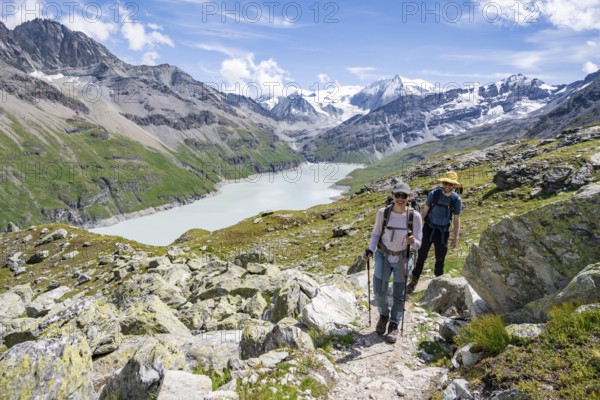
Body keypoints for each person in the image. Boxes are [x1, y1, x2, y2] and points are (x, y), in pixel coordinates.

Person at [363, 182, 422, 343]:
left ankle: (394, 325)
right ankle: (383, 315)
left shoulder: (414, 216)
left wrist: (412, 242)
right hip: (383, 255)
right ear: (392, 196)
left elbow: (419, 243)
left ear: (409, 197)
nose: (401, 199)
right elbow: (376, 234)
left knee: (399, 293)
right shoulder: (383, 213)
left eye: (404, 196)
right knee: (379, 290)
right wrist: (370, 250)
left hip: (403, 257)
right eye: (398, 195)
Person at [407, 171, 462, 294]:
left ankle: (438, 282)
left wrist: (456, 237)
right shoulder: (434, 194)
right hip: (428, 228)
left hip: (443, 231)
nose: (447, 186)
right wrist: (416, 230)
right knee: (421, 255)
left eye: (450, 184)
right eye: (445, 183)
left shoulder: (456, 199)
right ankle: (414, 281)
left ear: (454, 186)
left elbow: (457, 219)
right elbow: (425, 211)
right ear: (443, 183)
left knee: (440, 258)